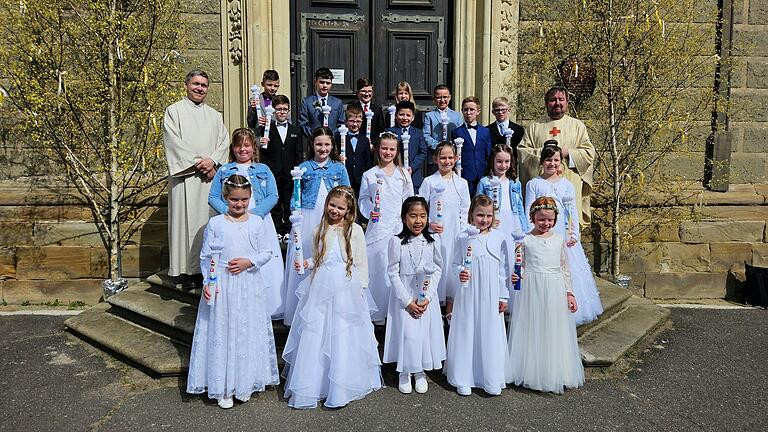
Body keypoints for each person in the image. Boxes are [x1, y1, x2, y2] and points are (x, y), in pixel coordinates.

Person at [282, 186, 382, 409]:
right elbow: (318, 259)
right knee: (318, 333)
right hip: (321, 287)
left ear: (348, 210)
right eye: (332, 205)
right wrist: (305, 263)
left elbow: (361, 262)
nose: (335, 210)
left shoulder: (355, 231)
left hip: (347, 286)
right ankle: (317, 383)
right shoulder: (319, 229)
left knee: (343, 333)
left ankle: (342, 384)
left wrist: (362, 288)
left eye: (340, 207)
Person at [187, 174, 279, 409]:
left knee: (245, 330)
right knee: (224, 330)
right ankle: (223, 386)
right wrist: (209, 282)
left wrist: (250, 262)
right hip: (224, 285)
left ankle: (244, 382)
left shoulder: (256, 223)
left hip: (248, 284)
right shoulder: (216, 224)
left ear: (251, 198)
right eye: (234, 200)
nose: (239, 204)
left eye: (244, 200)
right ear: (226, 198)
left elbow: (267, 252)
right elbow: (206, 257)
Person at [505, 196, 584, 394]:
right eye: (541, 219)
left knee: (553, 328)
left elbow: (565, 268)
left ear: (555, 220)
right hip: (532, 288)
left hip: (555, 287)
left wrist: (570, 293)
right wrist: (515, 276)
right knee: (533, 327)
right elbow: (520, 266)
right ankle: (532, 371)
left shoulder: (559, 240)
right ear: (532, 217)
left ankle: (556, 371)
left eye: (549, 220)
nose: (546, 223)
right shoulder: (525, 239)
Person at [208, 128, 284, 319]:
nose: (243, 150)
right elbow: (213, 196)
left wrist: (255, 214)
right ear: (233, 148)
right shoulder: (224, 171)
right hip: (232, 222)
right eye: (238, 146)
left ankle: (267, 305)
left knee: (261, 258)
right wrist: (230, 213)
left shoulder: (263, 170)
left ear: (254, 148)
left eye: (247, 145)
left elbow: (272, 195)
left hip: (259, 221)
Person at [163, 69, 229, 287]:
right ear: (186, 85)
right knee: (185, 224)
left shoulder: (215, 116)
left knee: (206, 222)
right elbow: (174, 143)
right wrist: (200, 163)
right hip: (186, 179)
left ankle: (207, 267)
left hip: (210, 179)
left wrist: (214, 162)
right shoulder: (174, 111)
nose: (200, 88)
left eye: (204, 85)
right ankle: (187, 271)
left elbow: (224, 142)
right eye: (196, 84)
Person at [524, 144, 603, 325]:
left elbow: (572, 211)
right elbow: (529, 210)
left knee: (566, 269)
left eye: (556, 160)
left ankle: (568, 307)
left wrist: (574, 234)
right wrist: (531, 235)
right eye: (549, 160)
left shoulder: (566, 185)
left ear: (561, 163)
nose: (552, 164)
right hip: (541, 233)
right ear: (542, 161)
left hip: (562, 234)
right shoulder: (534, 184)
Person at [282, 127, 351, 326]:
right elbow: (296, 194)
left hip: (332, 215)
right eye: (319, 144)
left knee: (330, 254)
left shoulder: (339, 168)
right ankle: (303, 307)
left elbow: (347, 194)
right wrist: (295, 215)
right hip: (309, 214)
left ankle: (329, 304)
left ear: (332, 146)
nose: (323, 148)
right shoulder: (303, 167)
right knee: (309, 254)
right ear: (312, 145)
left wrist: (346, 217)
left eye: (327, 144)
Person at [444, 195, 511, 396]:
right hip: (469, 292)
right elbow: (455, 263)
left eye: (488, 216)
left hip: (490, 294)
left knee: (489, 329)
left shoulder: (499, 238)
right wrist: (460, 274)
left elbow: (503, 270)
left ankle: (490, 376)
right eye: (480, 215)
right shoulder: (463, 237)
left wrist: (503, 295)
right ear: (471, 215)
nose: (484, 220)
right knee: (467, 329)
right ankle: (464, 376)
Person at [384, 196, 446, 394]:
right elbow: (393, 272)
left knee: (422, 335)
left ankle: (419, 371)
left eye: (422, 216)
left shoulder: (433, 240)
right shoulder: (396, 242)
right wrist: (407, 301)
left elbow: (438, 268)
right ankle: (404, 371)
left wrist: (428, 296)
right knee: (407, 334)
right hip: (406, 295)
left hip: (426, 296)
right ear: (404, 218)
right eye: (412, 216)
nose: (418, 221)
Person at [518, 85, 596, 229]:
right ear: (546, 103)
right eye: (553, 100)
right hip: (542, 188)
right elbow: (523, 152)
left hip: (569, 182)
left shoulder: (577, 126)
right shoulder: (535, 126)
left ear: (567, 103)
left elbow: (589, 153)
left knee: (570, 229)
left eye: (561, 99)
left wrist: (569, 153)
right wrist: (546, 153)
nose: (557, 103)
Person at [359, 132, 414, 323]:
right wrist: (369, 212)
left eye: (391, 149)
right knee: (376, 267)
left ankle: (395, 311)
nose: (387, 152)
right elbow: (364, 199)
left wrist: (406, 221)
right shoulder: (369, 174)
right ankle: (375, 312)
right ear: (377, 149)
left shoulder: (403, 175)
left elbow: (409, 200)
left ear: (397, 150)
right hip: (377, 227)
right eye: (384, 148)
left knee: (394, 266)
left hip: (397, 226)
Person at [417, 141, 470, 303]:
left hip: (455, 233)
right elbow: (420, 208)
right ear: (435, 159)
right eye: (443, 158)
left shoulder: (462, 183)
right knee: (437, 265)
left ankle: (451, 305)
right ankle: (434, 302)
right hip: (436, 234)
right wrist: (428, 225)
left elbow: (465, 210)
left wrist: (464, 232)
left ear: (456, 158)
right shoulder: (429, 182)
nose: (447, 161)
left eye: (450, 158)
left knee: (452, 267)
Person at [258, 94, 303, 237]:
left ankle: (289, 229)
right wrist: (261, 142)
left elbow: (298, 152)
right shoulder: (267, 129)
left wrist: (298, 171)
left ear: (289, 110)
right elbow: (262, 150)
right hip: (273, 170)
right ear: (273, 111)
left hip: (290, 172)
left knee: (289, 200)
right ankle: (277, 230)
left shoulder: (296, 131)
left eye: (285, 109)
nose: (282, 112)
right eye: (279, 109)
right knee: (275, 202)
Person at [476, 144, 529, 242]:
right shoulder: (485, 182)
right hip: (494, 221)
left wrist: (525, 229)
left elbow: (520, 207)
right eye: (499, 162)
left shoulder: (515, 183)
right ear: (493, 161)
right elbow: (478, 206)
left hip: (513, 221)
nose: (503, 165)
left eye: (507, 161)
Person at [450, 96, 492, 196]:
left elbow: (489, 152)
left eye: (472, 109)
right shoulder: (456, 132)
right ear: (462, 111)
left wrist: (489, 171)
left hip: (482, 173)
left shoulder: (485, 131)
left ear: (478, 111)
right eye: (465, 110)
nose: (468, 113)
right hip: (465, 174)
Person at [386, 100, 429, 190]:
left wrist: (412, 167)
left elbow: (423, 152)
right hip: (394, 173)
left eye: (408, 115)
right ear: (396, 116)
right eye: (401, 115)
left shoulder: (418, 133)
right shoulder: (389, 132)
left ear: (413, 117)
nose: (405, 118)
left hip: (413, 175)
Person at [423, 84, 462, 176]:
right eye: (439, 97)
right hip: (435, 158)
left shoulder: (457, 116)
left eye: (445, 97)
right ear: (434, 99)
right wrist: (440, 147)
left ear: (449, 98)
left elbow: (460, 135)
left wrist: (451, 149)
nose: (442, 100)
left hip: (452, 158)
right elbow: (426, 135)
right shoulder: (429, 116)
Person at [335, 105, 373, 197]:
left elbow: (368, 161)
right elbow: (334, 154)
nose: (355, 124)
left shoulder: (365, 140)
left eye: (358, 122)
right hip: (345, 175)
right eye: (352, 121)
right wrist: (337, 157)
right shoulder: (339, 137)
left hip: (360, 178)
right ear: (346, 122)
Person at [298, 67, 345, 138]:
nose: (325, 86)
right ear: (315, 82)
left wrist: (333, 137)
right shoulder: (307, 102)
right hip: (314, 142)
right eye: (322, 82)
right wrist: (315, 136)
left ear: (331, 84)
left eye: (328, 83)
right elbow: (303, 124)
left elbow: (342, 124)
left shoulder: (337, 103)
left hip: (333, 142)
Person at [347, 77, 386, 142]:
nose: (367, 94)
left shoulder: (377, 109)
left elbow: (381, 130)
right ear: (358, 93)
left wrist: (374, 144)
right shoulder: (352, 107)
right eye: (363, 91)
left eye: (369, 91)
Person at [247, 69, 281, 134]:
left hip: (275, 138)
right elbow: (250, 124)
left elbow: (287, 123)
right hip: (259, 138)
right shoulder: (254, 100)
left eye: (275, 86)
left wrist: (269, 122)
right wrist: (253, 110)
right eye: (269, 85)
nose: (272, 88)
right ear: (262, 84)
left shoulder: (281, 102)